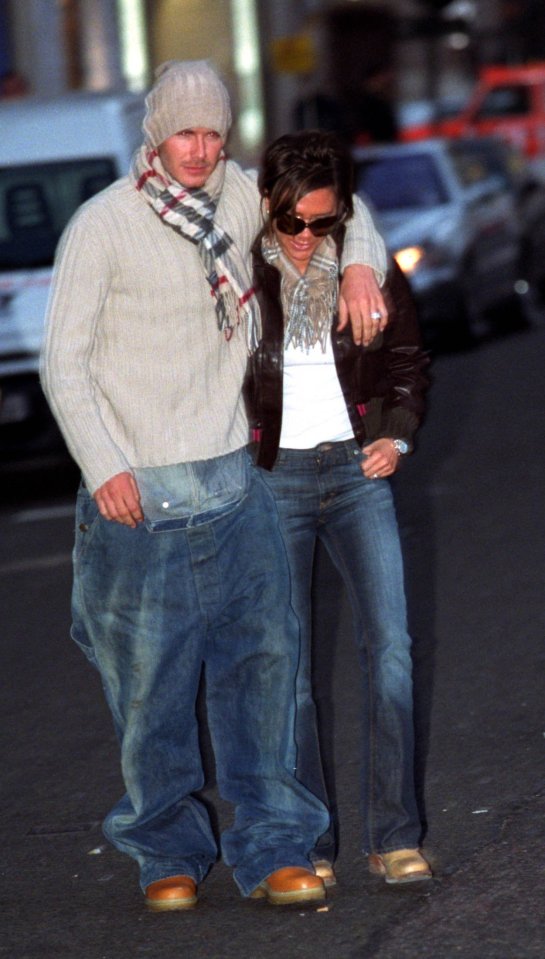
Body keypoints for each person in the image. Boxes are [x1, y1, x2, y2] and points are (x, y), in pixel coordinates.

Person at [40, 61, 388, 910]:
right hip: (137, 496)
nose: (200, 150)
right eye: (185, 133)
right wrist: (104, 464)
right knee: (150, 690)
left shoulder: (240, 195)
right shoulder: (103, 225)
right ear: (156, 134)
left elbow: (342, 212)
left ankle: (274, 846)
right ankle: (164, 851)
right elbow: (63, 361)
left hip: (237, 481)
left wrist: (356, 266)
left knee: (261, 674)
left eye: (214, 134)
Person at [244, 130, 431, 887]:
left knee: (390, 654)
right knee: (286, 672)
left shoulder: (366, 266)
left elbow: (408, 360)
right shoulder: (239, 272)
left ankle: (395, 835)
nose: (304, 239)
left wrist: (397, 436)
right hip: (273, 478)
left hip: (356, 473)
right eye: (292, 224)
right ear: (267, 208)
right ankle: (308, 844)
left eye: (324, 224)